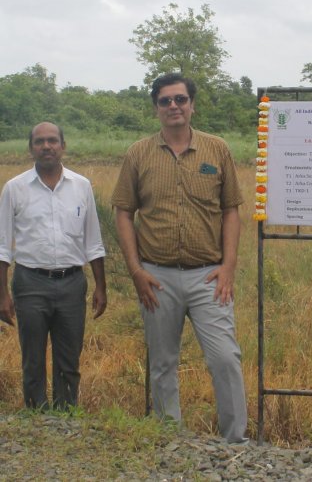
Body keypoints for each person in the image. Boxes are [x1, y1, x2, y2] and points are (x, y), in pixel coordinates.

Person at [111, 73, 247, 443]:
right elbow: (123, 211)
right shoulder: (138, 154)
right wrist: (136, 271)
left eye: (180, 99)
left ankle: (236, 442)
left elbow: (232, 210)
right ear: (156, 108)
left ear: (192, 105)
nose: (174, 106)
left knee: (224, 359)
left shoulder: (217, 150)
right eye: (165, 100)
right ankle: (170, 441)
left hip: (209, 277)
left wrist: (228, 269)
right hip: (157, 277)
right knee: (162, 363)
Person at [0, 122, 107, 409]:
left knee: (69, 358)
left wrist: (101, 287)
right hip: (30, 282)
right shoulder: (15, 188)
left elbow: (93, 242)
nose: (46, 146)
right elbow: (2, 246)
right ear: (30, 148)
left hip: (72, 283)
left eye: (52, 141)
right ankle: (37, 416)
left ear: (63, 146)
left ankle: (66, 415)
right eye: (39, 142)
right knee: (32, 358)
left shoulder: (81, 186)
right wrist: (2, 294)